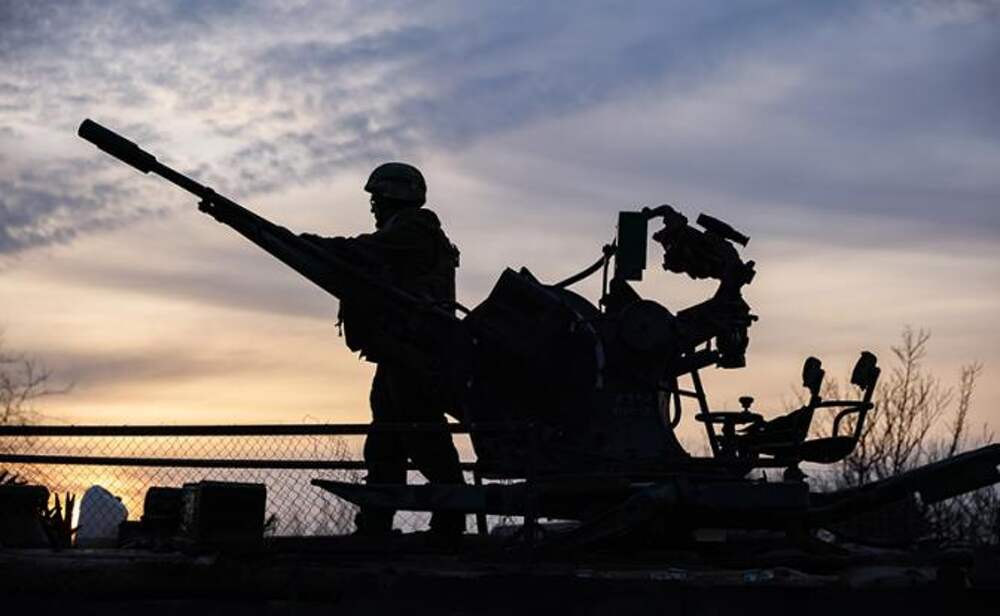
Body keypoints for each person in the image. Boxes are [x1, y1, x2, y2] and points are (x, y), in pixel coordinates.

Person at [303, 162, 466, 539]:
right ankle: (377, 524)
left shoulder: (414, 230)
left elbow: (364, 253)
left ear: (395, 196)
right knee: (385, 444)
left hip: (414, 357)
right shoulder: (411, 232)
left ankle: (449, 520)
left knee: (423, 437)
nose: (373, 206)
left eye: (377, 198)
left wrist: (312, 243)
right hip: (399, 356)